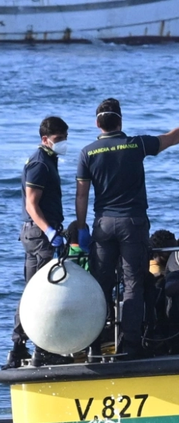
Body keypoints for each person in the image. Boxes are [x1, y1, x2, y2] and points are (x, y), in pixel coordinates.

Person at [76, 98, 179, 360]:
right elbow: (171, 138)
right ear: (120, 121)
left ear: (97, 123)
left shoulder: (87, 152)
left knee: (100, 285)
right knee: (133, 283)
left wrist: (82, 225)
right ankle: (130, 345)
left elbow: (82, 196)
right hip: (132, 224)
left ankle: (95, 344)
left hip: (103, 224)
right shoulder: (136, 144)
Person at [6, 116, 72, 368]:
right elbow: (31, 205)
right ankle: (41, 349)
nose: (63, 142)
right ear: (45, 139)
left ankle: (18, 346)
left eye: (65, 137)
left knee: (32, 291)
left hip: (36, 234)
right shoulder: (40, 164)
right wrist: (50, 232)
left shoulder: (48, 160)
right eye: (58, 138)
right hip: (40, 235)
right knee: (42, 293)